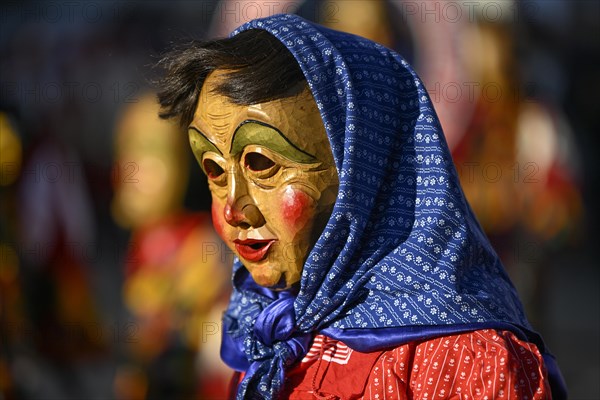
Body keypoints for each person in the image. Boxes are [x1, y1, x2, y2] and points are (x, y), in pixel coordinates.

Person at [156, 14, 566, 399]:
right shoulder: (265, 329)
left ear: (363, 168)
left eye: (263, 163)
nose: (233, 209)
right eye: (213, 170)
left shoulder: (459, 359)